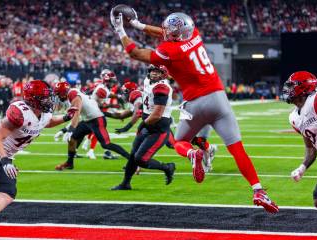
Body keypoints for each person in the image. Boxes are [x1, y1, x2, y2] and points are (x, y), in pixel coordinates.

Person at [110, 9, 278, 213]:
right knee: (237, 149)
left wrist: (120, 29)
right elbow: (167, 33)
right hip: (219, 99)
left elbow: (135, 53)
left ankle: (193, 154)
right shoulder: (195, 35)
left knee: (179, 142)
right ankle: (258, 190)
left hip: (195, 103)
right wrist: (139, 25)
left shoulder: (169, 50)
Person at [0, 80, 77, 238]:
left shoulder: (43, 113)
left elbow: (46, 122)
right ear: (33, 100)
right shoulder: (20, 112)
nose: (49, 101)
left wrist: (65, 117)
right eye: (44, 98)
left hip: (5, 155)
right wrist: (5, 161)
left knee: (8, 192)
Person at [112, 64, 176, 190]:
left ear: (163, 74)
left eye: (158, 72)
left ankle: (167, 167)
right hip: (149, 125)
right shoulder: (148, 80)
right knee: (133, 156)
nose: (154, 73)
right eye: (153, 71)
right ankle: (125, 183)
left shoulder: (162, 87)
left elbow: (157, 115)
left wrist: (142, 124)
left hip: (158, 129)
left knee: (141, 159)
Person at [54, 81, 130, 170]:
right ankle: (69, 163)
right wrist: (65, 130)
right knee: (73, 139)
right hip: (88, 120)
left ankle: (132, 161)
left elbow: (76, 114)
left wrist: (70, 130)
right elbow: (74, 115)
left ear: (63, 92)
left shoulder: (73, 94)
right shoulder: (72, 93)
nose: (58, 96)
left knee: (106, 144)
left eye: (58, 94)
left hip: (97, 119)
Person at [283, 71, 317, 209]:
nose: (288, 90)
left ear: (303, 87)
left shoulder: (316, 100)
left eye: (292, 86)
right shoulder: (294, 118)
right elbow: (311, 149)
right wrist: (302, 168)